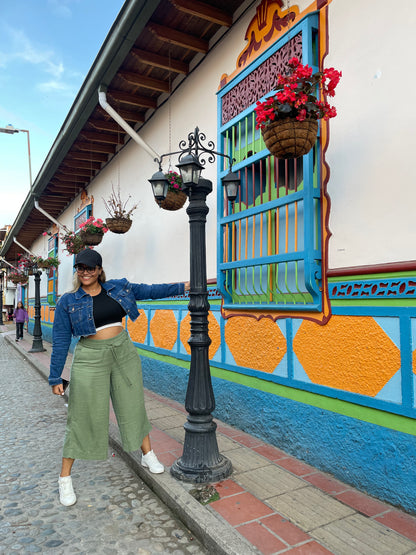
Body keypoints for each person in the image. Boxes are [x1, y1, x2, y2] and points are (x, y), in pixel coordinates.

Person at [49, 249, 189, 506]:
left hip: (122, 351)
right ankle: (65, 478)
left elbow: (149, 290)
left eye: (90, 267)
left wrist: (183, 285)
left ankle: (147, 454)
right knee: (83, 414)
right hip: (90, 357)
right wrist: (55, 376)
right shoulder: (67, 301)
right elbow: (60, 340)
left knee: (132, 404)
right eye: (80, 267)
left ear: (100, 270)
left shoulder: (118, 287)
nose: (85, 272)